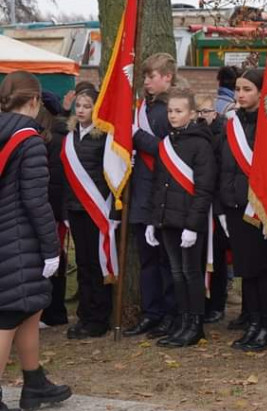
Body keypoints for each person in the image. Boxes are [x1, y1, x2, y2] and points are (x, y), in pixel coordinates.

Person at [0, 71, 72, 411]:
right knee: (8, 315)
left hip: (6, 233)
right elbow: (35, 201)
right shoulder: (28, 141)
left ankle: (34, 381)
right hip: (18, 237)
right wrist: (51, 247)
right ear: (33, 101)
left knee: (28, 307)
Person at [145, 87, 216, 348]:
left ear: (192, 114)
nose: (173, 116)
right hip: (167, 220)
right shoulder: (166, 143)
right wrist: (154, 221)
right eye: (170, 111)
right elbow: (158, 184)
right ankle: (182, 321)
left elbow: (204, 188)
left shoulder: (200, 143)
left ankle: (195, 325)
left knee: (191, 273)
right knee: (176, 273)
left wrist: (193, 226)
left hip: (189, 222)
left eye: (179, 111)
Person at [217, 69, 267, 352]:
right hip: (234, 204)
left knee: (264, 270)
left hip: (260, 207)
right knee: (246, 269)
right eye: (238, 89)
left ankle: (266, 326)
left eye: (247, 89)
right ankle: (253, 322)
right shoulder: (230, 124)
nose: (240, 95)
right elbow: (223, 163)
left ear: (261, 92)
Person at [124, 54, 176, 338]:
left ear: (167, 76)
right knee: (147, 261)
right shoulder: (142, 108)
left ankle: (170, 313)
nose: (146, 82)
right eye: (144, 77)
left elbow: (170, 151)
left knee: (168, 261)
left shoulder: (172, 109)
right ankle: (151, 312)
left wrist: (137, 136)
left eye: (151, 76)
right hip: (142, 195)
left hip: (165, 195)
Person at [62, 86, 114, 339]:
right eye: (78, 106)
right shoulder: (70, 135)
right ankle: (84, 314)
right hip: (74, 208)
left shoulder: (103, 136)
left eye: (87, 106)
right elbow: (65, 177)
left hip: (96, 208)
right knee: (81, 262)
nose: (81, 110)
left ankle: (99, 317)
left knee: (97, 263)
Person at [37, 93, 70, 328]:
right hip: (52, 209)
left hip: (52, 210)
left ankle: (54, 312)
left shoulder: (54, 138)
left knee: (53, 259)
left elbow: (55, 180)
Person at [196, 95, 229, 324]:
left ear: (214, 113)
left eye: (205, 112)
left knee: (216, 259)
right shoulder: (194, 135)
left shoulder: (222, 135)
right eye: (197, 112)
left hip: (217, 206)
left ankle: (217, 303)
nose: (201, 116)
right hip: (198, 205)